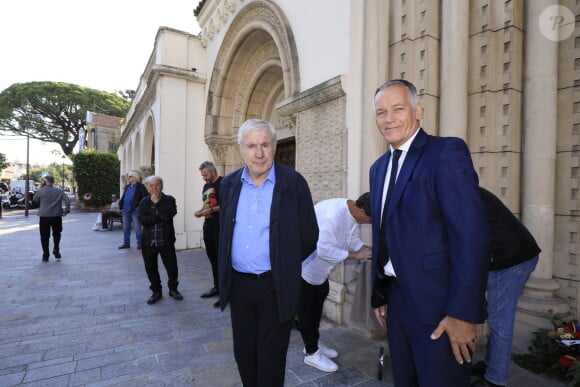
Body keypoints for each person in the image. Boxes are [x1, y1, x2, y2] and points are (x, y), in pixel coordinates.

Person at [369, 79, 490, 386]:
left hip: (440, 308)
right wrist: (380, 292)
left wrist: (463, 313)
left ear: (418, 110)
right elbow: (383, 235)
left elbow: (470, 237)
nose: (389, 118)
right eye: (381, 112)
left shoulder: (445, 153)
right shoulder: (378, 168)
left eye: (398, 108)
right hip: (397, 303)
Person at [217, 118, 319, 387]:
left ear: (274, 146)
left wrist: (284, 262)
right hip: (239, 286)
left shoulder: (294, 183)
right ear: (241, 148)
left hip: (275, 286)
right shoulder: (228, 184)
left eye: (264, 144)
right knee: (244, 353)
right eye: (251, 145)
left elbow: (309, 235)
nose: (258, 153)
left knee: (272, 357)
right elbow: (225, 232)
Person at [471, 187, 541, 387]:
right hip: (512, 256)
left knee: (500, 324)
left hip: (511, 262)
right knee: (498, 320)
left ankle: (495, 380)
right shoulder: (466, 190)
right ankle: (492, 366)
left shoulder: (462, 195)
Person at [300, 193, 372, 373]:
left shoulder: (352, 214)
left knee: (316, 308)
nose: (370, 223)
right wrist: (356, 255)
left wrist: (364, 249)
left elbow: (351, 239)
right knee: (307, 312)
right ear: (362, 210)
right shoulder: (334, 214)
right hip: (305, 269)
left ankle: (313, 343)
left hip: (321, 272)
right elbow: (324, 250)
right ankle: (311, 354)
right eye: (370, 219)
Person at [137, 175, 183, 305]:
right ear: (147, 188)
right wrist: (159, 217)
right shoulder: (143, 202)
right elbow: (143, 221)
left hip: (165, 240)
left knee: (171, 266)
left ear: (161, 186)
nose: (154, 188)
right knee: (150, 268)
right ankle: (156, 291)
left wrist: (157, 204)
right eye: (151, 185)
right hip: (148, 241)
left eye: (157, 185)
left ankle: (173, 289)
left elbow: (169, 214)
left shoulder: (169, 200)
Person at [194, 161, 222, 307]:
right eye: (202, 175)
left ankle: (225, 292)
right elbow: (207, 204)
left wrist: (210, 211)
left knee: (221, 259)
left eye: (205, 174)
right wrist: (200, 211)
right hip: (208, 226)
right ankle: (217, 287)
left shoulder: (224, 183)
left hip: (220, 227)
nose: (204, 178)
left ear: (212, 171)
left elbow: (227, 205)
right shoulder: (206, 186)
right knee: (212, 258)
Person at [33, 175, 71, 261]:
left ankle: (46, 255)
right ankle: (56, 249)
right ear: (53, 182)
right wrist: (66, 210)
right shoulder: (59, 191)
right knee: (57, 234)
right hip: (56, 216)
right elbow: (67, 200)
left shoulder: (40, 190)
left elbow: (35, 200)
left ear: (45, 181)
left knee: (44, 236)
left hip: (44, 216)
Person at [118, 170, 148, 249]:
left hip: (135, 211)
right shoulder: (128, 186)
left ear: (135, 178)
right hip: (125, 210)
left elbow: (145, 198)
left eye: (130, 176)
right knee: (125, 228)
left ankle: (140, 243)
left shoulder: (141, 186)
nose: (128, 178)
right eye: (129, 176)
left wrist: (139, 207)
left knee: (137, 228)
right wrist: (121, 205)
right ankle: (126, 243)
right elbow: (124, 196)